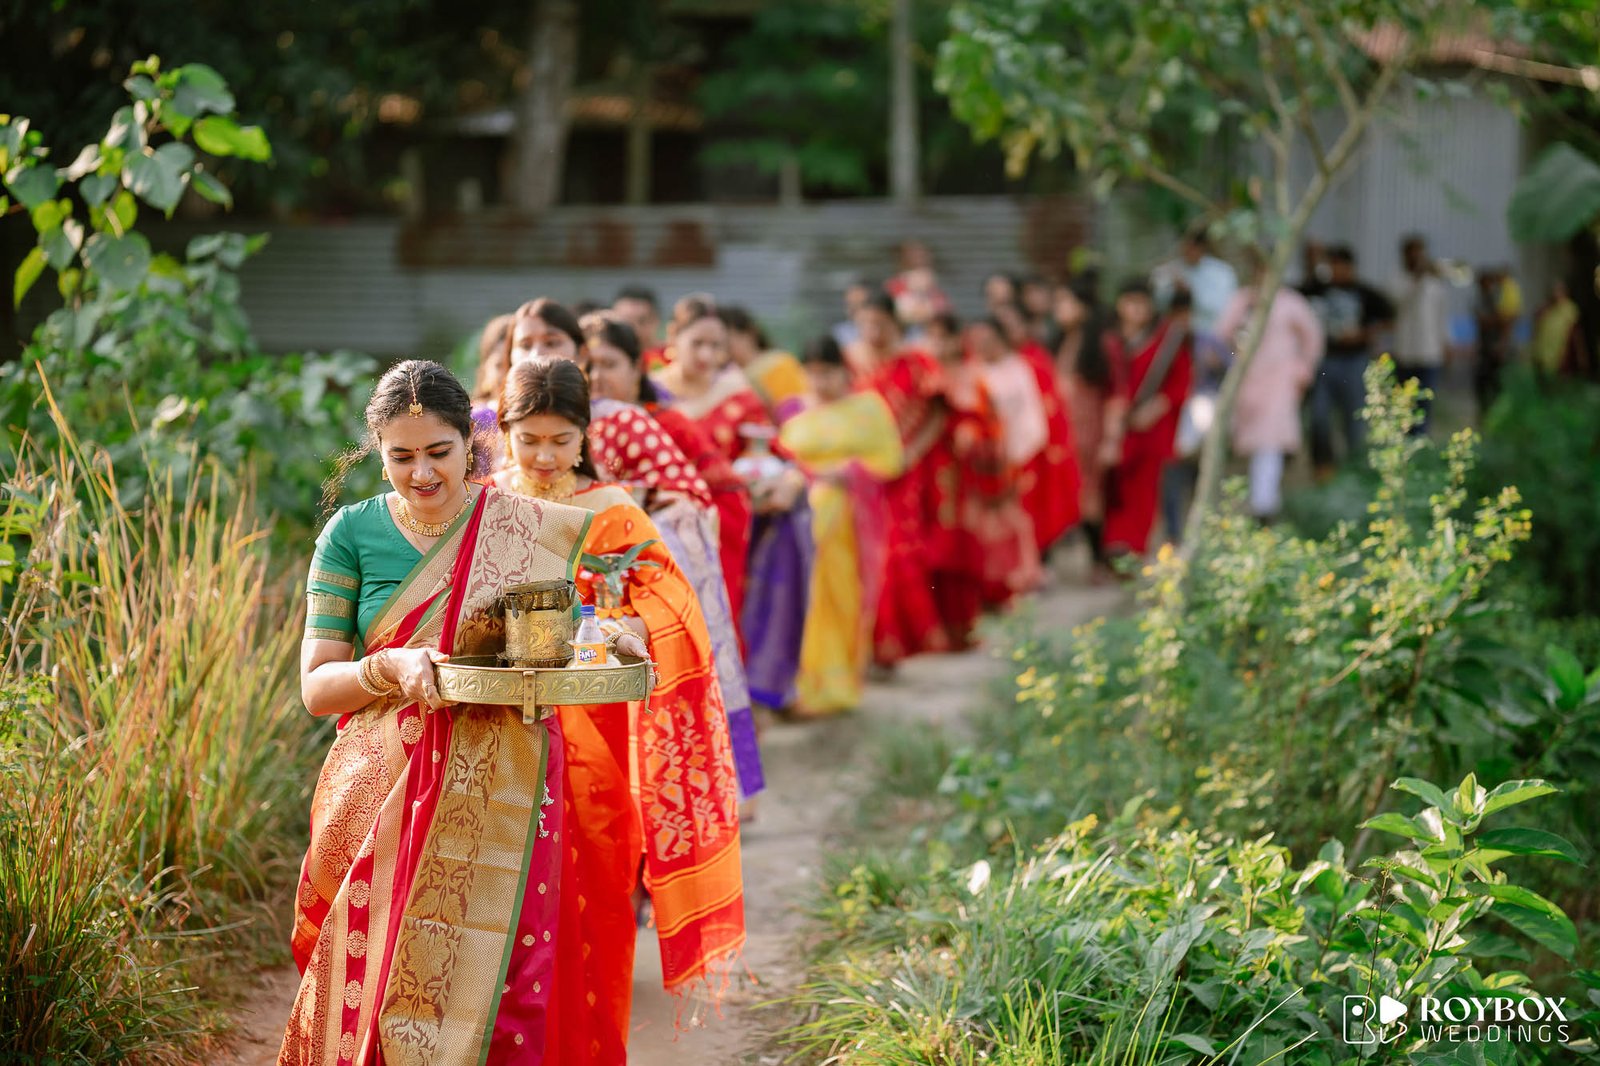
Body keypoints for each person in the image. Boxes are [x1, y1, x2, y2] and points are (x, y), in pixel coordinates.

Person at [283, 360, 628, 1063]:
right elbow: (317, 687)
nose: (422, 474)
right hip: (383, 778)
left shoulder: (520, 527)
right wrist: (390, 668)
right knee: (378, 973)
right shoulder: (350, 533)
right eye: (400, 457)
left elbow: (550, 644)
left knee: (505, 977)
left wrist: (606, 635)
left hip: (506, 782)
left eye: (439, 452)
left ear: (471, 443)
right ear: (378, 453)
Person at [491, 358, 746, 1055]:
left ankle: (588, 1047)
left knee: (593, 891)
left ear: (585, 435)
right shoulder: (483, 504)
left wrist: (627, 624)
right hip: (497, 732)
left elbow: (671, 602)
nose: (545, 457)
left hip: (592, 738)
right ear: (504, 431)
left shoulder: (613, 510)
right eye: (529, 440)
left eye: (561, 440)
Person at [655, 300, 814, 711]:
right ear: (673, 338)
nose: (707, 355)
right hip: (662, 528)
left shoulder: (737, 396)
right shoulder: (651, 394)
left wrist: (788, 482)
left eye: (717, 346)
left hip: (727, 530)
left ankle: (728, 714)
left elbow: (778, 455)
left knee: (724, 618)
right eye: (698, 343)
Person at [779, 336, 905, 716]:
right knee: (803, 597)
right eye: (812, 373)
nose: (820, 382)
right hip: (798, 520)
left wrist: (847, 471)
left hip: (848, 525)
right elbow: (781, 458)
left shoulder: (868, 408)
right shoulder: (793, 410)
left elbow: (890, 459)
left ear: (843, 371)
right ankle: (798, 687)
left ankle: (836, 688)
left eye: (828, 373)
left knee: (840, 598)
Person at [1215, 251, 1325, 521]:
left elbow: (1313, 338)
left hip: (1280, 382)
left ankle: (1264, 506)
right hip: (1249, 382)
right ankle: (1254, 502)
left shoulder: (1290, 302)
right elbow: (1222, 336)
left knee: (1271, 442)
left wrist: (1301, 370)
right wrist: (1234, 359)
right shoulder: (1243, 300)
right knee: (1253, 444)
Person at [1101, 281, 1193, 559]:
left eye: (1142, 303)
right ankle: (1114, 546)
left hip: (1151, 427)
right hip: (1115, 426)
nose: (1137, 310)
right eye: (1131, 303)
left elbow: (1181, 381)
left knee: (1146, 489)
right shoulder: (1110, 340)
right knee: (1115, 488)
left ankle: (1135, 549)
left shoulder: (1167, 340)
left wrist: (1156, 407)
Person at [1301, 245, 1395, 472]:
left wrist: (1363, 335)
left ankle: (1355, 467)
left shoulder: (1364, 292)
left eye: (1339, 265)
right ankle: (1323, 468)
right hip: (1323, 361)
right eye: (1331, 265)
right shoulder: (1318, 288)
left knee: (1355, 417)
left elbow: (1390, 317)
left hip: (1354, 361)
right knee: (1319, 416)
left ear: (1350, 267)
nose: (1335, 270)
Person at [1054, 280, 1126, 575]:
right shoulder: (1068, 339)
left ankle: (1098, 561)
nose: (1059, 309)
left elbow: (1117, 395)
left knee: (1092, 496)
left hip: (1092, 432)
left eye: (1065, 302)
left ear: (1082, 307)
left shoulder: (1104, 343)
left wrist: (1111, 438)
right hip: (1068, 433)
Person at [1391, 234, 1452, 433]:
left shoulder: (1435, 285)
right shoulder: (1397, 281)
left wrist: (1447, 344)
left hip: (1429, 354)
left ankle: (1420, 442)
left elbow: (1441, 317)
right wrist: (1418, 278)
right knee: (1404, 405)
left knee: (1424, 406)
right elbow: (1400, 301)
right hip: (1404, 354)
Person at [721, 305, 809, 423]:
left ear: (750, 333)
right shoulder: (726, 375)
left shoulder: (778, 364)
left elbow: (795, 408)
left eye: (728, 341)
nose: (725, 348)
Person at [468, 312, 515, 477]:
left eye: (512, 364)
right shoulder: (474, 418)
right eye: (499, 365)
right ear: (485, 367)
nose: (507, 373)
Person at [1473, 265, 1522, 417]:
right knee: (1483, 384)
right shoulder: (1480, 300)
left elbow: (1509, 319)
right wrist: (1501, 319)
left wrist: (1502, 343)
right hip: (1486, 349)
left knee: (1499, 385)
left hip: (1501, 350)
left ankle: (1498, 415)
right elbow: (1485, 321)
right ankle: (1486, 413)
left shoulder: (1500, 297)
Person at [612, 285, 666, 369]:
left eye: (642, 321)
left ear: (656, 320)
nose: (634, 329)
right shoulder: (601, 358)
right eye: (626, 323)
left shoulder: (672, 358)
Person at [831, 280, 873, 350]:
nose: (852, 308)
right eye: (849, 304)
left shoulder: (878, 331)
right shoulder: (839, 333)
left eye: (859, 304)